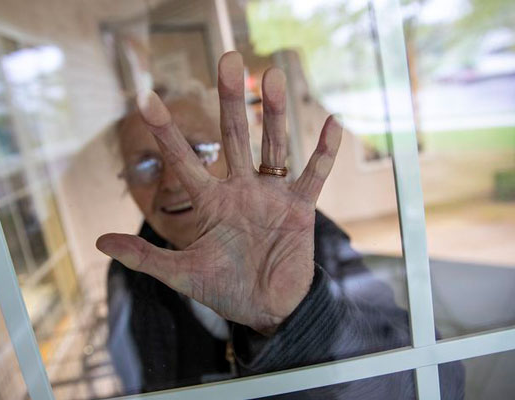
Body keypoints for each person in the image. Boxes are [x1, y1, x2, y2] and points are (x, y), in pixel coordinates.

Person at [96, 51, 464, 398]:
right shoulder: (129, 278)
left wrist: (302, 317)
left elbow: (438, 384)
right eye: (144, 166)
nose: (172, 182)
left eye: (199, 152)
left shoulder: (304, 241)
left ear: (233, 152)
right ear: (125, 182)